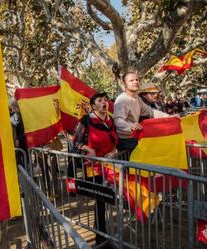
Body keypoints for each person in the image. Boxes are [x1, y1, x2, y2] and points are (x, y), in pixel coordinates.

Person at [72, 92, 117, 246]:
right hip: (93, 166)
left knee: (109, 197)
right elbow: (75, 141)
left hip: (110, 164)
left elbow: (115, 140)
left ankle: (102, 230)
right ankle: (100, 236)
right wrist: (89, 150)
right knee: (100, 200)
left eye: (106, 100)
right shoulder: (86, 120)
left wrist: (114, 151)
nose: (104, 102)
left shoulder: (111, 120)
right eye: (100, 100)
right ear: (93, 106)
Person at [114, 72, 169, 153]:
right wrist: (131, 126)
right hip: (126, 141)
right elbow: (118, 120)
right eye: (131, 80)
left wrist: (169, 116)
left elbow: (150, 111)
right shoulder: (122, 100)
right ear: (124, 84)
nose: (135, 82)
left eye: (137, 80)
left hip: (136, 137)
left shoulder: (137, 99)